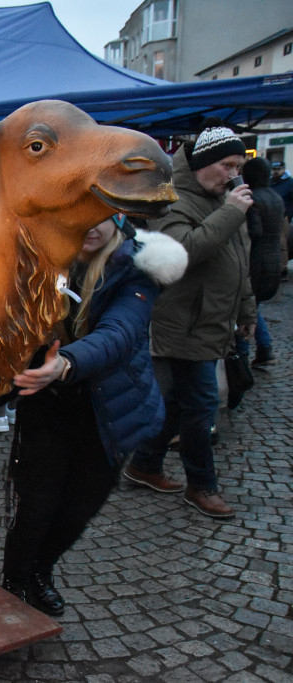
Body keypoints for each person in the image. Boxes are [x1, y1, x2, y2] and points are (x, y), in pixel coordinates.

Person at [2, 215, 186, 616]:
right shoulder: (38, 258)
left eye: (101, 212)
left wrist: (65, 363)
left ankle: (40, 571)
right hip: (47, 405)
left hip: (109, 410)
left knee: (78, 511)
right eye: (80, 210)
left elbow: (119, 333)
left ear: (119, 213)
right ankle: (14, 579)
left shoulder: (139, 266)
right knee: (36, 507)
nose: (90, 223)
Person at [124, 123, 255, 520]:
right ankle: (202, 485)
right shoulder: (174, 200)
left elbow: (237, 260)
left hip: (211, 319)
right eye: (227, 164)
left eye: (238, 164)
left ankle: (144, 465)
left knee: (179, 406)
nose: (234, 172)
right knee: (200, 407)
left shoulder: (220, 199)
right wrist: (232, 212)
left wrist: (246, 311)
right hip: (182, 321)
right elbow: (183, 251)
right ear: (202, 164)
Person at [239, 157, 286, 367]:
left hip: (256, 261)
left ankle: (242, 357)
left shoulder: (254, 199)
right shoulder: (276, 197)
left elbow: (255, 232)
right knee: (254, 306)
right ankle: (265, 349)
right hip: (273, 258)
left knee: (247, 306)